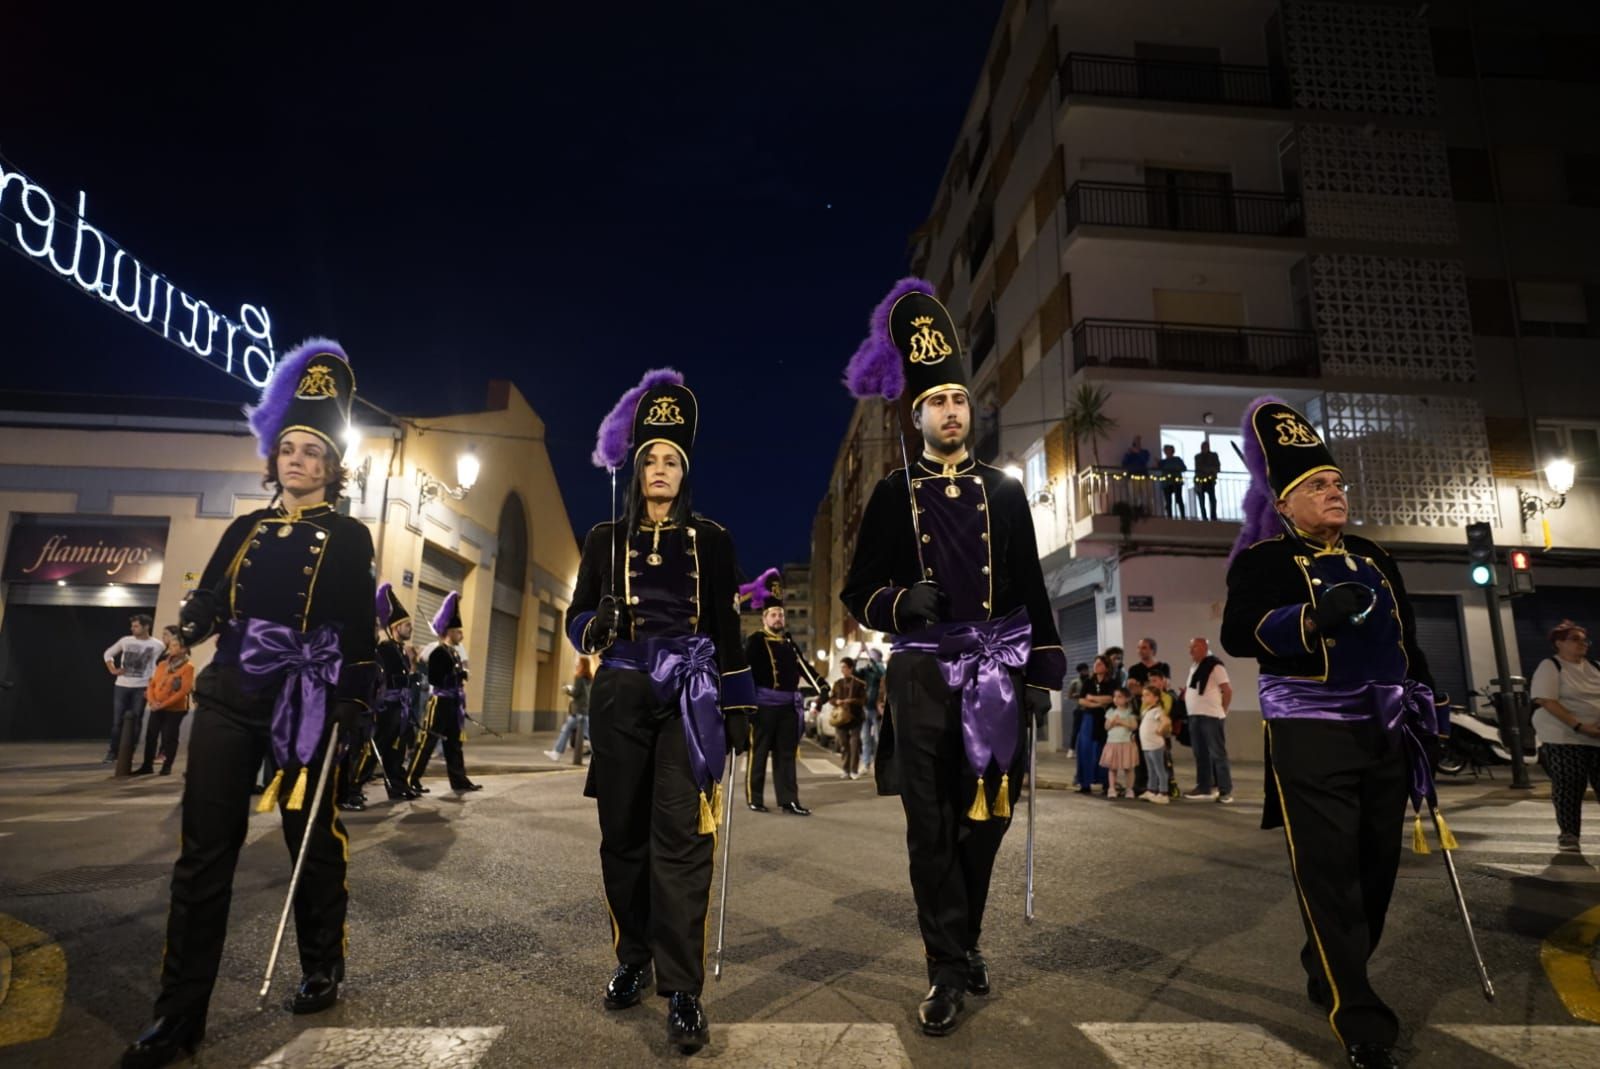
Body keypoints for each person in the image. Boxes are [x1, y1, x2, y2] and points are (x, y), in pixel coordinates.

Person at [122, 340, 376, 1069]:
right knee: (204, 856)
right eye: (287, 449)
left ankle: (321, 961)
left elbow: (357, 628)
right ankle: (177, 1017)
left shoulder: (350, 534)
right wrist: (186, 629)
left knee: (311, 836)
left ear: (331, 466)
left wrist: (354, 700)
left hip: (305, 702)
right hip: (231, 694)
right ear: (274, 459)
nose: (296, 461)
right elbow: (209, 598)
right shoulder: (244, 529)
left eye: (312, 452)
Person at [839, 279, 1063, 1037]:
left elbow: (1030, 584)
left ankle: (963, 938)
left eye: (960, 400)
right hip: (923, 673)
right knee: (929, 825)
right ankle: (945, 966)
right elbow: (856, 589)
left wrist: (1041, 672)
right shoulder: (891, 493)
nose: (951, 412)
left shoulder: (1004, 492)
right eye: (937, 402)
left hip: (997, 671)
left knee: (987, 819)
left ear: (971, 409)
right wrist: (900, 604)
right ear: (918, 413)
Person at [1221, 397, 1447, 1069]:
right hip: (1311, 729)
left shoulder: (1376, 555)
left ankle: (1331, 961)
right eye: (1318, 485)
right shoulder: (1262, 560)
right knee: (1329, 873)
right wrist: (1312, 618)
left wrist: (1430, 711)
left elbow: (1409, 641)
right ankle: (1359, 1011)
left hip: (1384, 729)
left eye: (1338, 482)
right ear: (1285, 503)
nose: (1335, 491)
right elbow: (1240, 633)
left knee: (1375, 867)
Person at [564, 368, 753, 1054]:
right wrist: (596, 621)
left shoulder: (714, 539)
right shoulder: (601, 539)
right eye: (652, 458)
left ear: (685, 470)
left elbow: (728, 629)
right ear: (636, 466)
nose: (662, 469)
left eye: (673, 459)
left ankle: (682, 989)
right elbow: (575, 617)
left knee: (681, 840)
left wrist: (739, 703)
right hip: (619, 693)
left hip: (689, 697)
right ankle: (633, 957)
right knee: (623, 837)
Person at [1529, 620, 1600, 852]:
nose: (1582, 644)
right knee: (1570, 783)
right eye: (1575, 639)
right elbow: (1547, 700)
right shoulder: (1551, 666)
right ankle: (1569, 833)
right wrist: (1579, 725)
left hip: (1596, 734)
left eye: (1584, 640)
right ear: (1559, 643)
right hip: (1564, 735)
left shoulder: (1595, 667)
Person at [744, 593, 812, 812]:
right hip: (764, 706)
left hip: (787, 708)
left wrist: (822, 686)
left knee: (786, 755)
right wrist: (746, 705)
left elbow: (805, 669)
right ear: (764, 618)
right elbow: (746, 672)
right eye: (773, 615)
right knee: (759, 753)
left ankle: (789, 801)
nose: (778, 619)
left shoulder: (789, 643)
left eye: (781, 615)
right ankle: (755, 799)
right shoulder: (755, 640)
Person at [408, 592, 481, 793]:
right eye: (458, 632)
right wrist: (455, 675)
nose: (461, 636)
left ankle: (459, 780)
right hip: (439, 702)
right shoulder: (439, 652)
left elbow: (457, 674)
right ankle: (411, 778)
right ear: (449, 632)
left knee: (454, 744)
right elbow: (435, 678)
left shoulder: (455, 652)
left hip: (453, 703)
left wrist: (461, 675)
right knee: (427, 741)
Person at [371, 583, 420, 800]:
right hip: (388, 706)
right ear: (395, 627)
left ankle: (398, 785)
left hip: (401, 707)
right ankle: (352, 788)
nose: (410, 628)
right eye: (406, 624)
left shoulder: (401, 651)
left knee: (397, 749)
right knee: (378, 748)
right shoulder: (385, 649)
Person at [132, 627, 194, 777]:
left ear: (184, 649)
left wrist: (162, 705)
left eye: (175, 646)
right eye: (171, 645)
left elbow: (183, 691)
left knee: (169, 737)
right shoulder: (162, 665)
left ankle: (167, 766)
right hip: (156, 707)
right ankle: (147, 766)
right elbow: (152, 684)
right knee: (151, 736)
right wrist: (152, 702)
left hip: (175, 709)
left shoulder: (188, 667)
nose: (171, 648)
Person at [104, 614, 165, 762]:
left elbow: (160, 665)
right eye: (132, 626)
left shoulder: (158, 645)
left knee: (137, 720)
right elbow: (108, 654)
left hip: (142, 686)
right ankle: (113, 752)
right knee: (117, 721)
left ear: (146, 627)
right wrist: (113, 669)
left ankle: (128, 753)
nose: (132, 628)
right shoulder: (125, 640)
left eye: (136, 626)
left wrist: (155, 684)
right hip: (122, 686)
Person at [1183, 636, 1234, 804]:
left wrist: (1223, 710)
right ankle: (1204, 787)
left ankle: (1225, 791)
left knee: (1217, 754)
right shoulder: (1195, 666)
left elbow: (1227, 690)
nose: (1191, 651)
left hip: (1211, 715)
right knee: (1200, 754)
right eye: (1190, 648)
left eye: (1194, 648)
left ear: (1204, 647)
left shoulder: (1215, 665)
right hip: (1195, 715)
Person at [1074, 657, 1113, 794]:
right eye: (1095, 664)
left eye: (1100, 664)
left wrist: (1093, 698)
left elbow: (1111, 698)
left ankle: (1106, 783)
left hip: (1105, 719)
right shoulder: (1088, 682)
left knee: (1104, 751)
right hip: (1089, 718)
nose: (1096, 666)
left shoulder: (1111, 682)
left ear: (1106, 667)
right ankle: (1085, 784)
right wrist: (1098, 704)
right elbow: (1082, 700)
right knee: (1085, 750)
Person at [548, 657, 594, 763]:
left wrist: (567, 690)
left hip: (578, 711)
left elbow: (576, 693)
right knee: (569, 730)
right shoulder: (589, 678)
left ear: (583, 665)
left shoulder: (579, 677)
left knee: (569, 731)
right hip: (585, 710)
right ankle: (556, 753)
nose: (577, 665)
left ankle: (557, 753)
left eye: (579, 663)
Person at [828, 657, 867, 780]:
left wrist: (852, 701)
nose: (843, 670)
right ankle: (845, 769)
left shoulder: (860, 684)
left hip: (855, 717)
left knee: (854, 744)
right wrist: (837, 701)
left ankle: (853, 770)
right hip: (841, 718)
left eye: (845, 667)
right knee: (844, 744)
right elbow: (831, 699)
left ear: (851, 668)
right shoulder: (838, 683)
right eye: (841, 667)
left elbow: (863, 700)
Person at [1100, 687, 1140, 798]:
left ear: (1127, 699)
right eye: (1115, 697)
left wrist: (1121, 722)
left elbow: (1134, 726)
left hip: (1126, 743)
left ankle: (1129, 789)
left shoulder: (1130, 712)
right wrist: (1112, 722)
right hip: (1113, 742)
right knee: (1112, 768)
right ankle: (1112, 788)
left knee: (1129, 768)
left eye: (1120, 697)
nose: (1116, 699)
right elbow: (1106, 726)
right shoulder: (1111, 712)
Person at [1137, 683, 1171, 804]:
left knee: (1159, 769)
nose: (1143, 698)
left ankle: (1163, 793)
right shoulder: (1147, 710)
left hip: (1155, 745)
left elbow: (1166, 721)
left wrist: (1160, 729)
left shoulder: (1157, 710)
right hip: (1147, 745)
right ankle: (1151, 790)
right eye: (1143, 695)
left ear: (1156, 698)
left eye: (1147, 695)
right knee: (1150, 769)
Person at [857, 647, 886, 770]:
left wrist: (869, 654)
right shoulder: (867, 671)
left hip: (877, 709)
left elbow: (881, 673)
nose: (870, 658)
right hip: (866, 708)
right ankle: (866, 762)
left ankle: (879, 762)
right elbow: (853, 672)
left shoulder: (881, 668)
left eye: (873, 656)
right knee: (865, 738)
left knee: (878, 738)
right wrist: (858, 654)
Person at [1065, 662, 1090, 758]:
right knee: (1076, 730)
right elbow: (1069, 695)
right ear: (1080, 671)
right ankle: (1071, 749)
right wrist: (1075, 695)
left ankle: (1086, 749)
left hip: (1090, 708)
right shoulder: (1075, 682)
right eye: (1083, 670)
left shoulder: (1091, 680)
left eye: (1086, 669)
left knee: (1088, 730)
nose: (1085, 671)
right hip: (1079, 708)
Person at [1194, 438, 1222, 521]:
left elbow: (1217, 467)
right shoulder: (1198, 457)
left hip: (1210, 480)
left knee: (1212, 499)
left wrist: (1209, 470)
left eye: (1206, 446)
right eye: (1203, 447)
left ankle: (1213, 516)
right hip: (1200, 481)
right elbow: (1198, 468)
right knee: (1201, 500)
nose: (1204, 448)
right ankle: (1204, 517)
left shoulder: (1213, 455)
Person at [1157, 444, 1187, 518]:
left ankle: (1183, 516)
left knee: (1179, 499)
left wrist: (1175, 470)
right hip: (1166, 483)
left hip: (1176, 482)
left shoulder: (1177, 459)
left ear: (1172, 451)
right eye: (1165, 450)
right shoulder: (1163, 462)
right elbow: (1159, 468)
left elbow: (1184, 468)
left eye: (1168, 450)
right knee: (1168, 501)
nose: (1167, 452)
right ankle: (1169, 516)